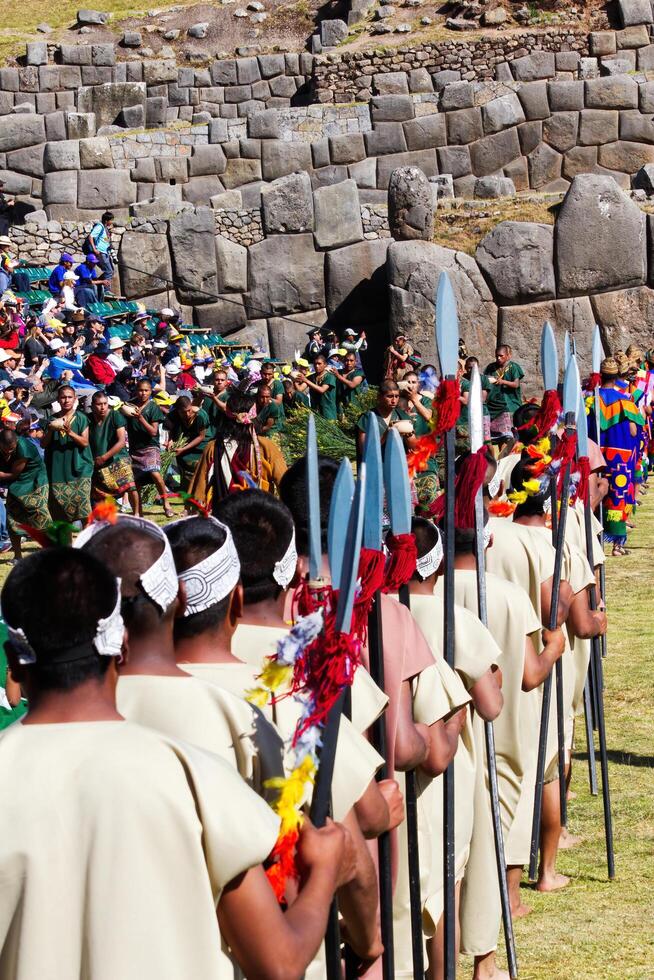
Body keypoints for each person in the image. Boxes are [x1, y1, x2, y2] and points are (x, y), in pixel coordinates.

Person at [0, 546, 355, 980]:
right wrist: (325, 872)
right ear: (122, 645)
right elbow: (279, 962)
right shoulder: (189, 775)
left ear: (14, 663)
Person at [592, 356, 643, 556]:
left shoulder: (589, 398)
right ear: (617, 376)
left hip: (595, 454)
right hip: (619, 456)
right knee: (618, 496)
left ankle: (594, 542)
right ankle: (617, 546)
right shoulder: (625, 400)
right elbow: (633, 431)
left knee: (592, 494)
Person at [42, 384, 93, 524]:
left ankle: (86, 541)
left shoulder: (81, 418)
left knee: (84, 509)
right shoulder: (52, 420)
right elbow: (43, 444)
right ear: (58, 400)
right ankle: (67, 545)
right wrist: (52, 430)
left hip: (80, 469)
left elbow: (85, 442)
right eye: (63, 397)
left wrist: (70, 432)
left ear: (75, 399)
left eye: (70, 397)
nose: (66, 400)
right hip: (57, 471)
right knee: (60, 511)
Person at [123, 378, 174, 518]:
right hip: (134, 448)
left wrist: (140, 418)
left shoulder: (153, 408)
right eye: (140, 390)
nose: (143, 393)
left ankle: (166, 503)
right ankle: (137, 512)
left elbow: (153, 431)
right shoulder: (130, 405)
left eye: (146, 390)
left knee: (155, 474)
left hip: (150, 447)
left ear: (151, 392)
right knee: (135, 483)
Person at [0, 428, 50, 559]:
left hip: (34, 480)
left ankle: (51, 551)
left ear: (16, 442)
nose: (9, 452)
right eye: (6, 449)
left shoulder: (23, 447)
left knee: (40, 513)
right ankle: (17, 556)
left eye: (12, 449)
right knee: (12, 518)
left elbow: (13, 474)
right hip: (16, 484)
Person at [87, 391, 139, 512]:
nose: (103, 407)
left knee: (130, 486)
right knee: (100, 493)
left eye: (105, 404)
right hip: (98, 461)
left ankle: (137, 513)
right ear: (93, 405)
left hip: (118, 458)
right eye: (99, 404)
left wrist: (104, 457)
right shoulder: (88, 419)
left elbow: (121, 442)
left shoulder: (115, 416)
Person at [356, 380, 413, 459]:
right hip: (376, 465)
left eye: (396, 396)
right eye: (389, 396)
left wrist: (409, 434)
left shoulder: (402, 416)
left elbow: (414, 447)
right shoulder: (368, 418)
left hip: (398, 464)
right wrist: (387, 434)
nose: (394, 401)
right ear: (379, 397)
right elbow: (364, 450)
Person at [165, 395, 210, 492]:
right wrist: (170, 441)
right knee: (185, 475)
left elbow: (201, 436)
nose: (187, 414)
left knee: (200, 472)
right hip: (182, 448)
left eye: (189, 410)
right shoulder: (173, 416)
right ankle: (187, 496)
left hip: (201, 447)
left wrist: (184, 449)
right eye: (183, 412)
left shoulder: (200, 416)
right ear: (177, 410)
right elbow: (171, 431)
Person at [484, 345, 524, 442]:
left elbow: (516, 384)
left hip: (510, 405)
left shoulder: (513, 367)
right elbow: (486, 380)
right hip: (494, 406)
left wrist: (503, 382)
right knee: (497, 436)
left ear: (508, 356)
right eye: (497, 356)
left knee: (508, 436)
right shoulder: (491, 367)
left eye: (501, 356)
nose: (498, 358)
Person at [459, 356, 492, 443]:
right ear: (465, 367)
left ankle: (491, 457)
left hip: (482, 413)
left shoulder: (483, 379)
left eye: (474, 367)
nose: (471, 370)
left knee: (486, 442)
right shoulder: (463, 379)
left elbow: (482, 398)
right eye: (469, 367)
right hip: (466, 415)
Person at [85, 211, 115, 299]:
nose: (111, 222)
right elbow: (91, 236)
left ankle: (98, 282)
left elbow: (105, 241)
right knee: (109, 271)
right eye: (111, 220)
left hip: (105, 253)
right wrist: (94, 249)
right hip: (100, 253)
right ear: (106, 220)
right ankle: (105, 290)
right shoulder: (99, 226)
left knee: (110, 270)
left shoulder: (105, 228)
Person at [303, 353, 338, 420]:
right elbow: (300, 389)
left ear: (325, 365)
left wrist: (306, 380)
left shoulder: (329, 376)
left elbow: (322, 390)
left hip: (328, 411)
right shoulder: (312, 377)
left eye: (319, 364)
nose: (316, 366)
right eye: (315, 364)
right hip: (316, 411)